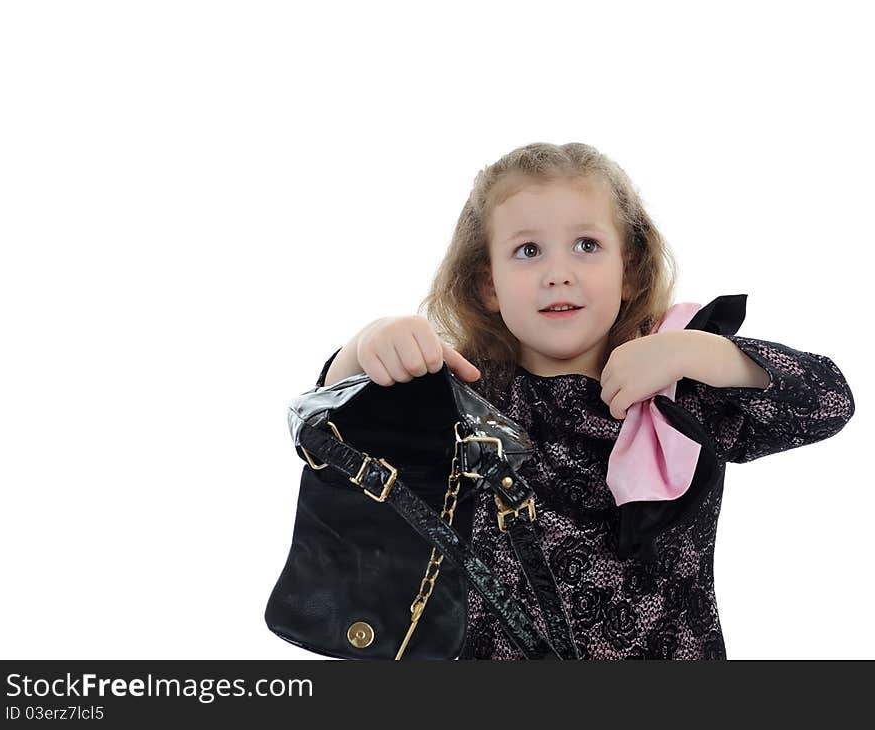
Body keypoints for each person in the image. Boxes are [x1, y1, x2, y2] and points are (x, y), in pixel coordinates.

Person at [310, 141, 855, 660]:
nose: (558, 273)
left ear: (629, 270)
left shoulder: (676, 392)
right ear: (488, 286)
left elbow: (828, 405)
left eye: (587, 246)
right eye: (528, 251)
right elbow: (328, 440)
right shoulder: (464, 395)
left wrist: (699, 353)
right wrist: (364, 349)